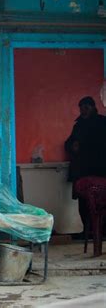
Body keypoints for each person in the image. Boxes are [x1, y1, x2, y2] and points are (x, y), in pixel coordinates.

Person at [65, 96, 106, 225]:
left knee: (101, 201)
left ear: (93, 108)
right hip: (82, 171)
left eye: (86, 107)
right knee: (83, 201)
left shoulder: (102, 122)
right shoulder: (78, 126)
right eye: (81, 108)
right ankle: (87, 230)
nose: (84, 110)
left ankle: (101, 231)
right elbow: (69, 143)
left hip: (100, 170)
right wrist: (73, 146)